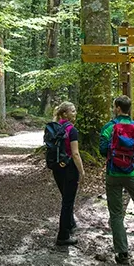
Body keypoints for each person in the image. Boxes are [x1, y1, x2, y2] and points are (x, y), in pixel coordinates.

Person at [99, 95, 134, 264]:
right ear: (129, 109)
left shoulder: (109, 128)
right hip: (131, 174)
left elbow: (102, 150)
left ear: (117, 108)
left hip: (113, 174)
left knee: (116, 213)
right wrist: (133, 158)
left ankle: (122, 252)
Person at [51, 101, 85, 246]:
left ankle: (70, 224)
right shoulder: (72, 130)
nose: (75, 113)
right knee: (68, 202)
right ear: (65, 114)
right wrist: (82, 171)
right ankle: (63, 235)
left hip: (57, 167)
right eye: (72, 111)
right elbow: (75, 154)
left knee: (66, 197)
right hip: (69, 168)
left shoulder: (54, 127)